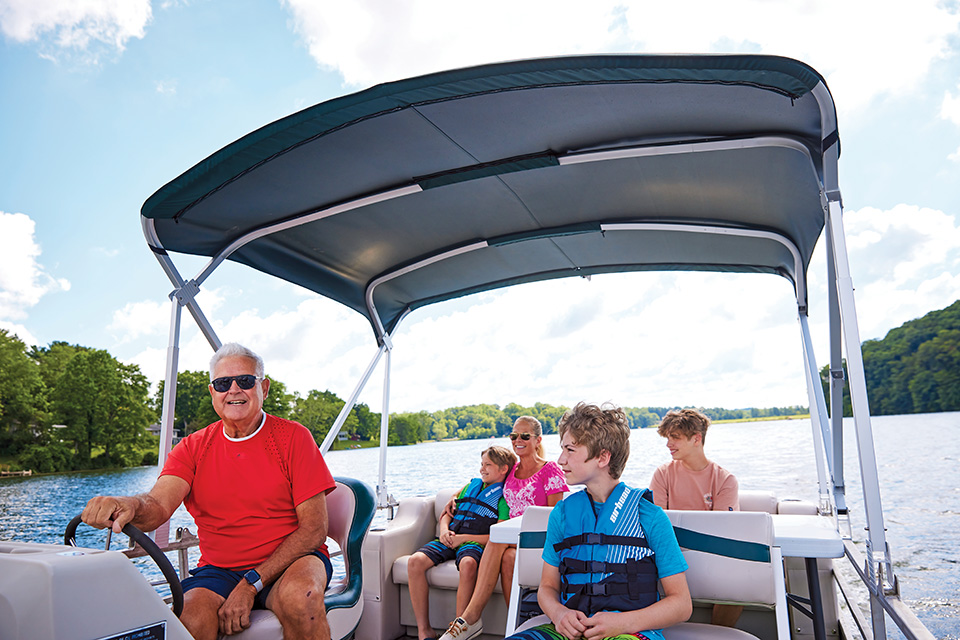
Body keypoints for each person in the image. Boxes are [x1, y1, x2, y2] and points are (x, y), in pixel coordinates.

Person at [81, 343, 336, 640]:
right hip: (219, 570)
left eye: (245, 381)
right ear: (213, 392)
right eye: (223, 383)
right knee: (188, 619)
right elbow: (157, 506)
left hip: (292, 562)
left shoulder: (294, 437)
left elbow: (314, 529)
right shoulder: (192, 448)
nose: (234, 390)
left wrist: (251, 583)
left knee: (300, 599)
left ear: (263, 388)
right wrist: (128, 505)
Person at [507, 402, 691, 640]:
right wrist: (559, 614)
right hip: (570, 630)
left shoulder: (650, 518)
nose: (561, 460)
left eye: (570, 450)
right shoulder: (561, 514)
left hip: (630, 632)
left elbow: (682, 604)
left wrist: (622, 623)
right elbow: (548, 588)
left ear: (603, 457)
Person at [439, 416, 568, 640]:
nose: (518, 440)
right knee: (508, 557)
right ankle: (517, 627)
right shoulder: (512, 471)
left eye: (525, 436)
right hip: (513, 542)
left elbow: (555, 517)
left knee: (497, 540)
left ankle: (470, 617)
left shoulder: (550, 470)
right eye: (514, 436)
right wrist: (453, 496)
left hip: (541, 541)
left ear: (537, 440)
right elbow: (479, 483)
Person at [408, 446, 517, 640]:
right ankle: (424, 631)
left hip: (473, 542)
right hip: (450, 537)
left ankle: (459, 628)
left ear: (503, 469)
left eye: (488, 465)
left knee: (468, 564)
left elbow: (499, 536)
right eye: (481, 464)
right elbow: (446, 514)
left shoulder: (504, 498)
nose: (482, 469)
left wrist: (463, 538)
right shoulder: (470, 486)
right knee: (414, 562)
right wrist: (443, 531)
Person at [650, 408, 741, 627]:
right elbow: (656, 524)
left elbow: (721, 530)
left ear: (696, 439)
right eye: (668, 438)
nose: (668, 444)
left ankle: (719, 632)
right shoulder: (662, 474)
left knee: (735, 579)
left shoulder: (725, 480)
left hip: (710, 555)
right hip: (669, 553)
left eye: (676, 438)